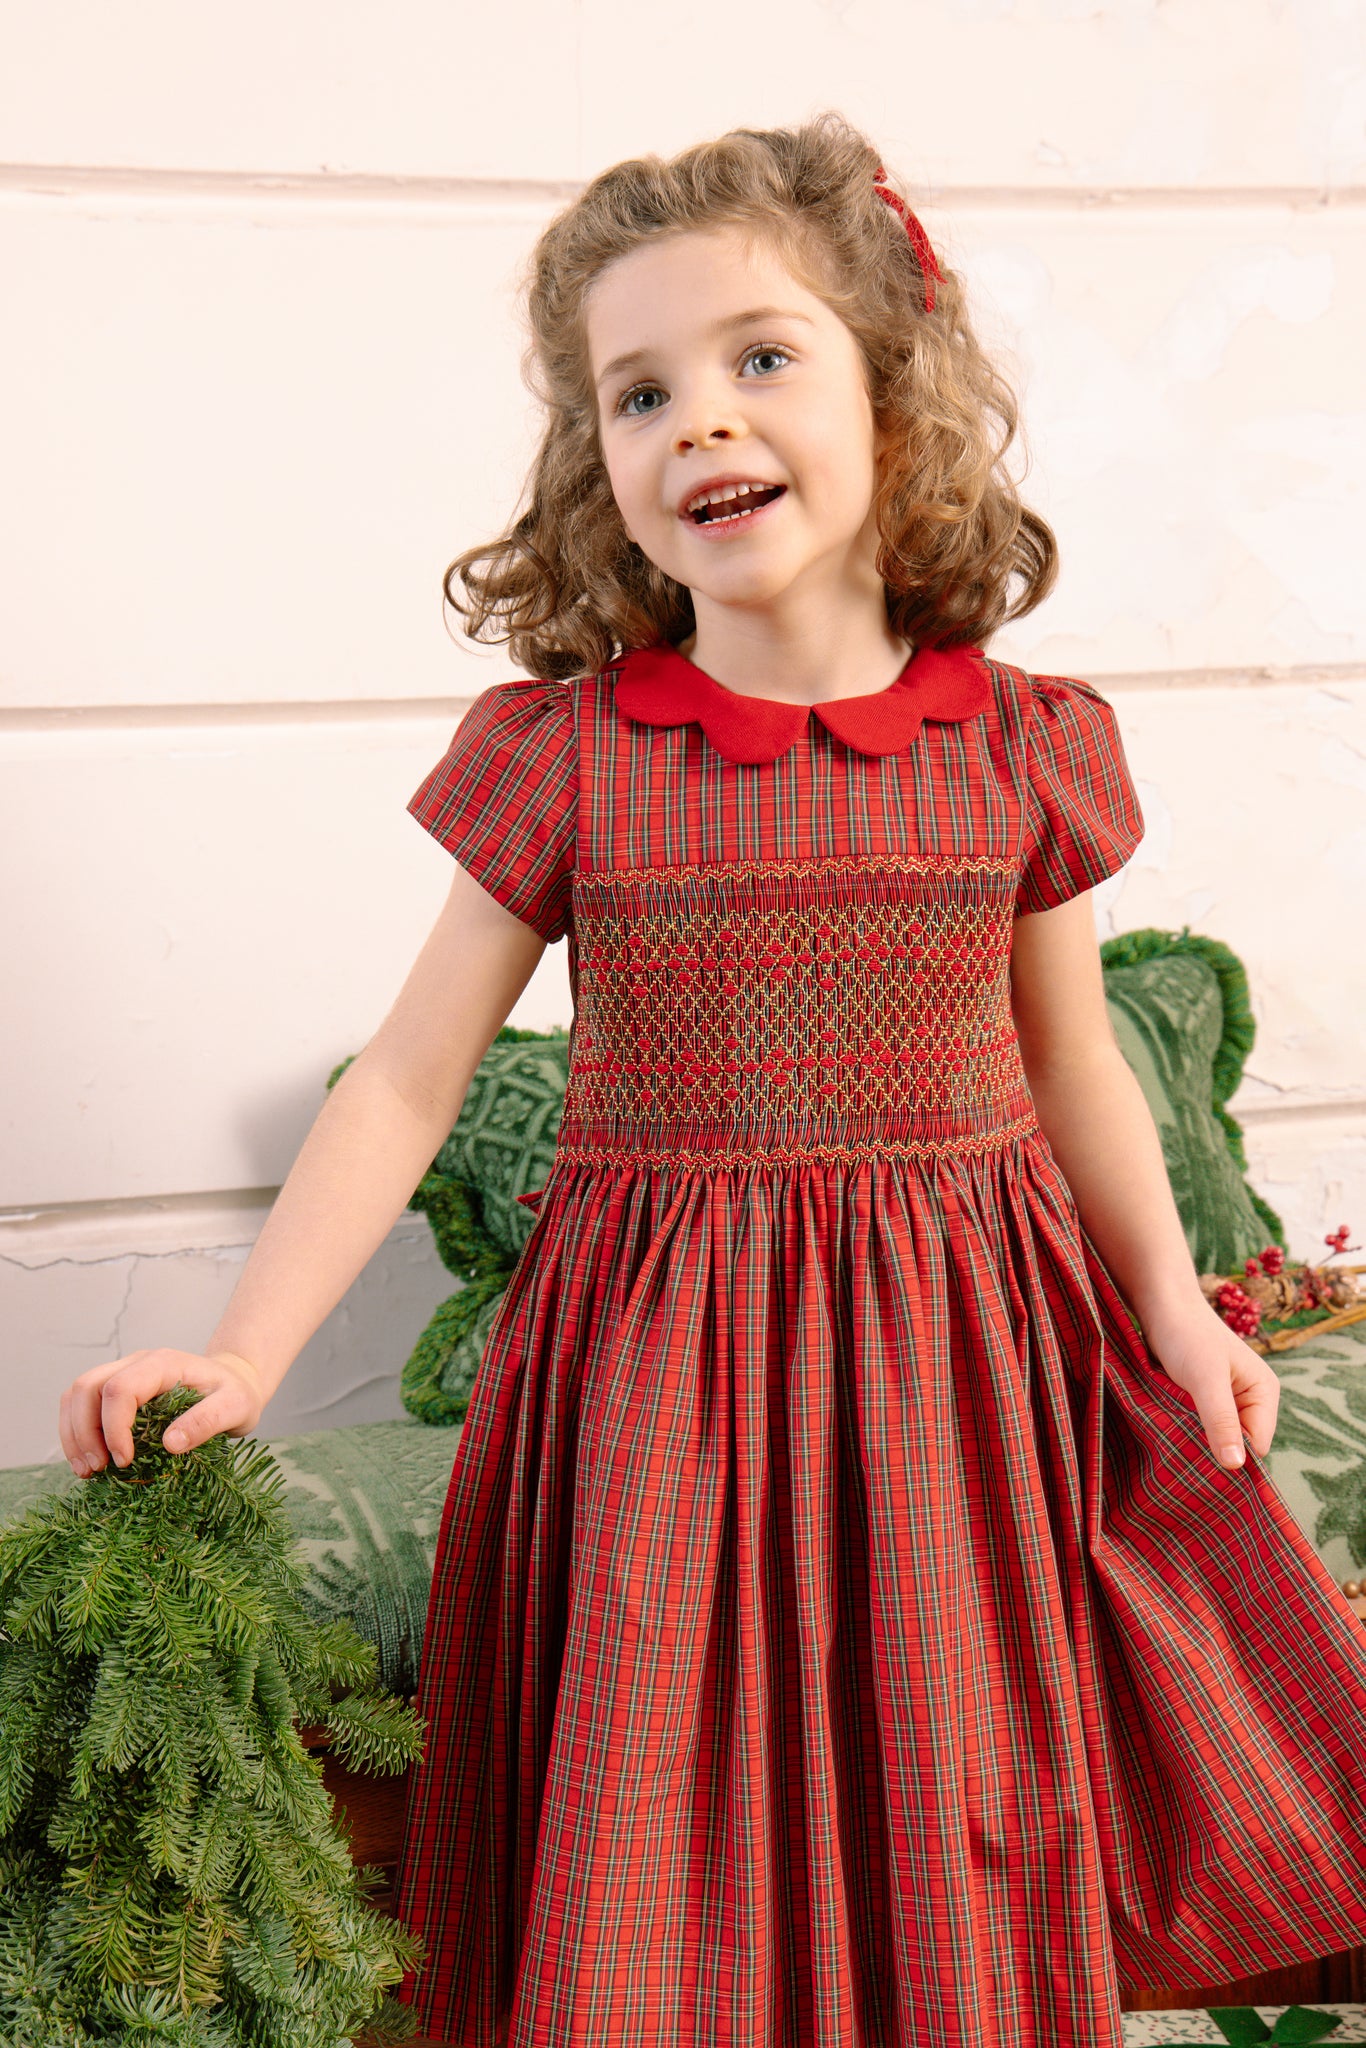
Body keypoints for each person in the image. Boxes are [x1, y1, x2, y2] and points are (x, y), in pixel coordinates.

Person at [58, 111, 1366, 2048]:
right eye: (637, 390)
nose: (699, 421)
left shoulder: (1020, 742)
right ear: (596, 461)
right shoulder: (569, 755)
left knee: (954, 1792)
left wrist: (1170, 1304)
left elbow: (1063, 1051)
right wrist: (241, 1354)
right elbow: (411, 1077)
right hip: (652, 1379)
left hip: (957, 1361)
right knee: (651, 1825)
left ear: (894, 399)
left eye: (760, 359)